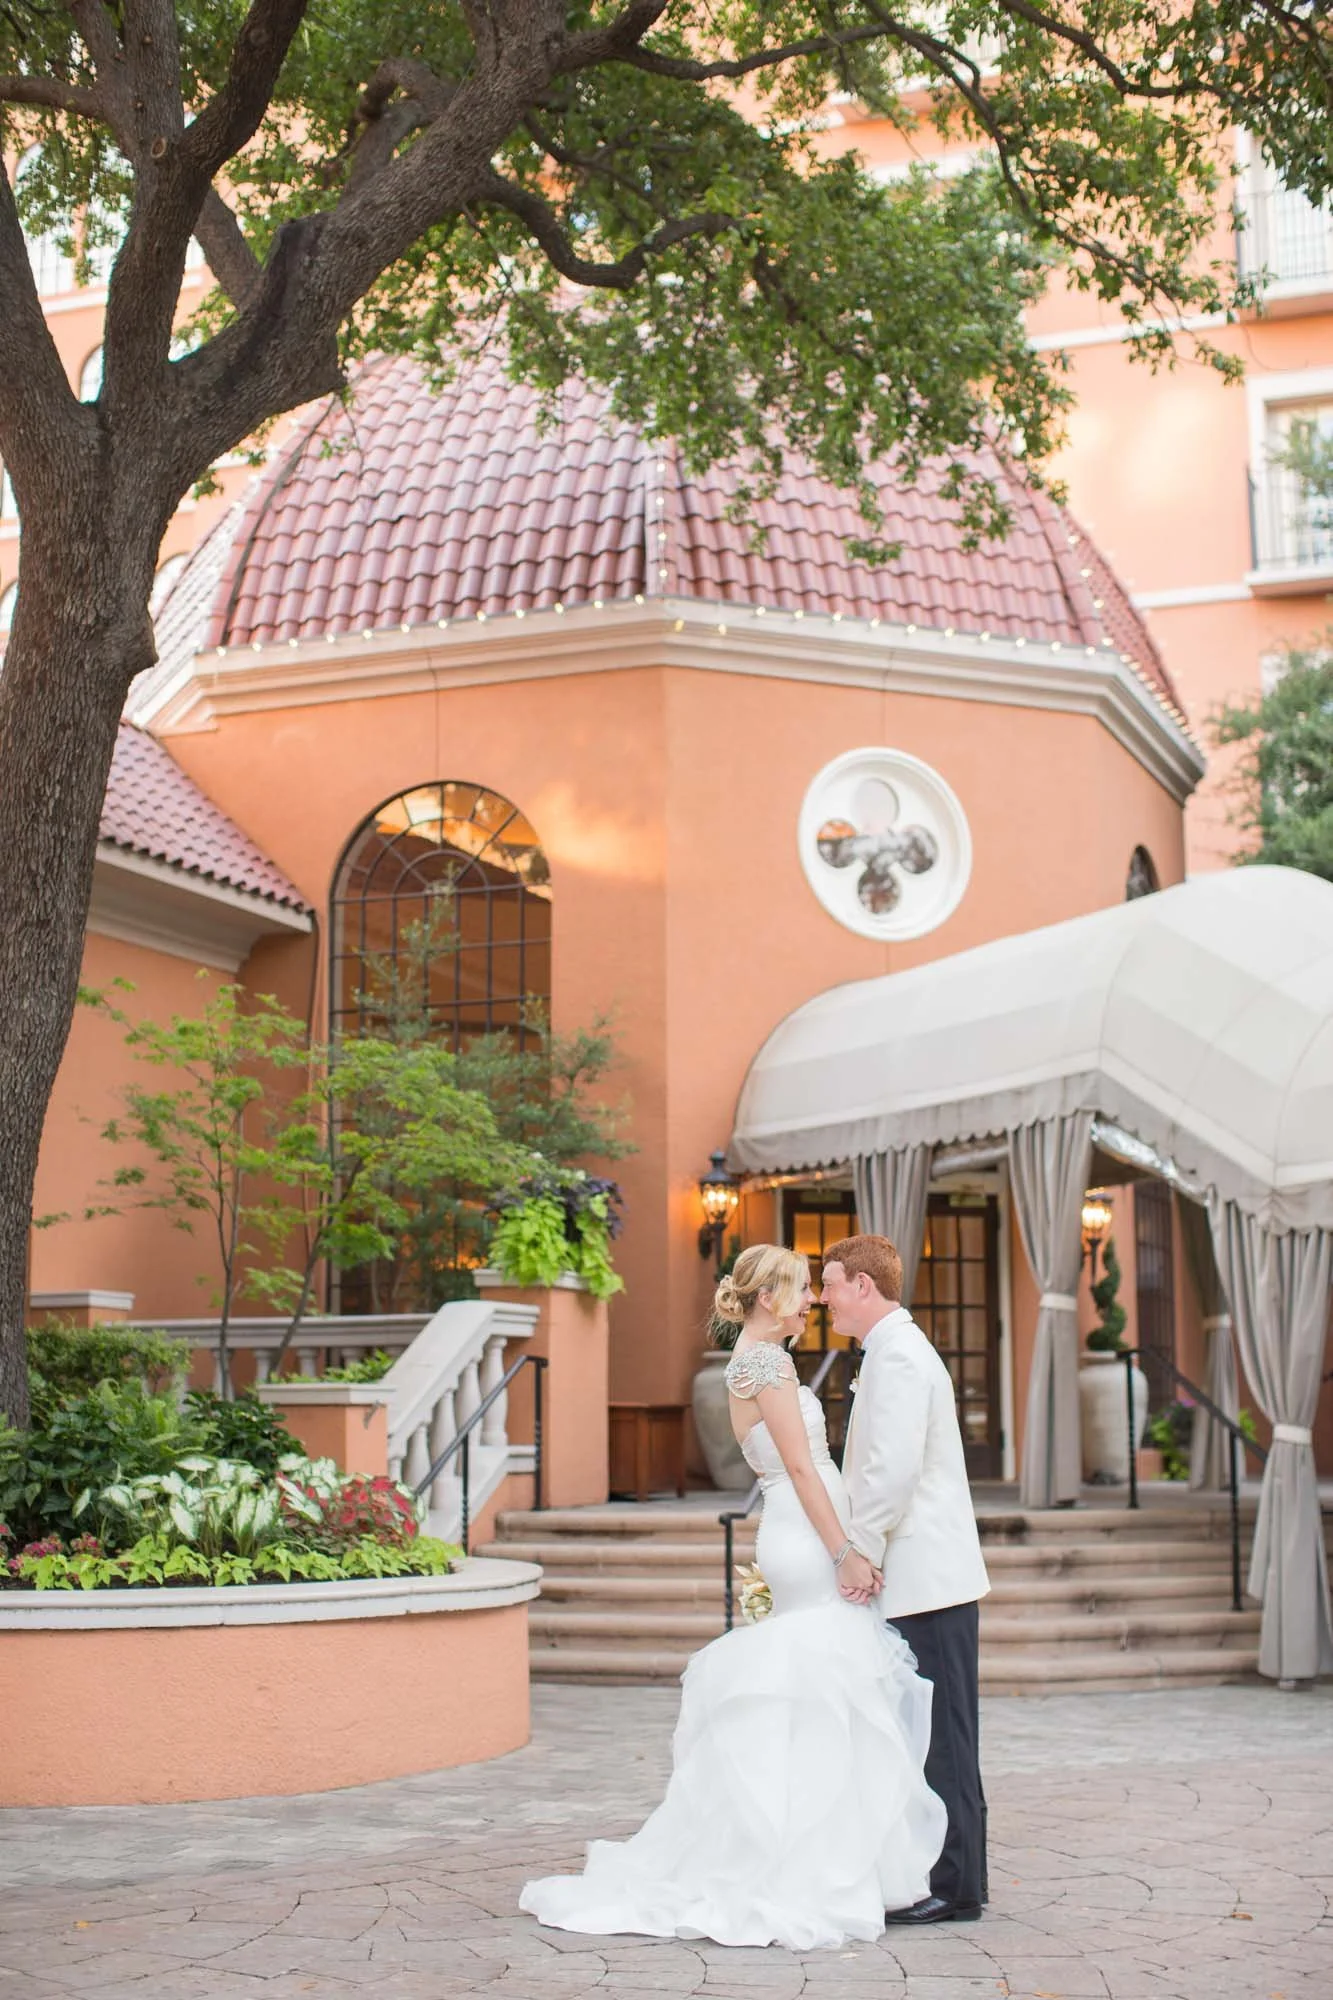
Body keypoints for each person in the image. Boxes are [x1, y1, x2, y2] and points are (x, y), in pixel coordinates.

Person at [519, 1243, 946, 1950]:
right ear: (767, 1296)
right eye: (801, 1289)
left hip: (801, 1531)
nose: (810, 1300)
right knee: (819, 1686)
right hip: (807, 1538)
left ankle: (814, 1851)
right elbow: (805, 1472)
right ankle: (795, 1862)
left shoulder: (755, 1361)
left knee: (817, 1694)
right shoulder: (764, 1363)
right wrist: (845, 1550)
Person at [822, 1232, 991, 1925]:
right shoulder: (891, 1352)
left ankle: (956, 1887)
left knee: (944, 1737)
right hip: (921, 1575)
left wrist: (860, 1548)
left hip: (927, 1576)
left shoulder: (897, 1356)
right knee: (932, 1733)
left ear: (863, 1286)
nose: (823, 1297)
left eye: (830, 1283)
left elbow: (891, 1469)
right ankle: (948, 1876)